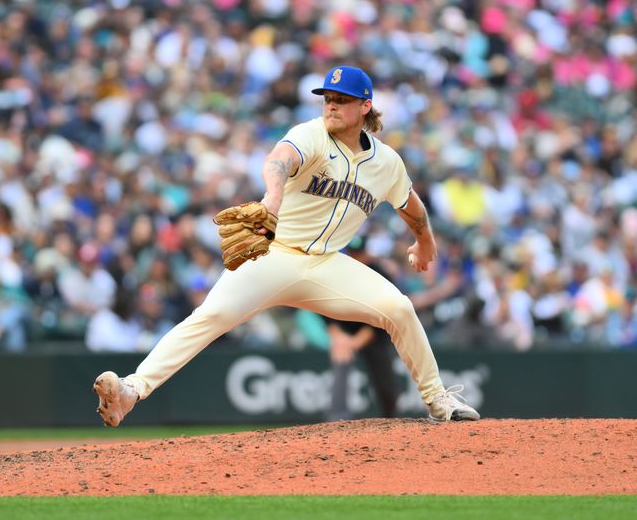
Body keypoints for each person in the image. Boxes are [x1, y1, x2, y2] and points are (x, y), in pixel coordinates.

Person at [94, 66, 480, 426]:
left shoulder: (387, 164)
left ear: (365, 107)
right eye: (327, 97)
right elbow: (279, 160)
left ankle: (438, 400)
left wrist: (424, 241)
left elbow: (410, 205)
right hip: (274, 254)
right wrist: (272, 198)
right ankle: (132, 390)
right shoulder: (311, 134)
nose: (331, 104)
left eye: (342, 99)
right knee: (210, 317)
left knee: (399, 307)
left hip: (327, 265)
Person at [326, 237, 399, 420]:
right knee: (340, 359)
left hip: (376, 332)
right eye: (353, 254)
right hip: (346, 329)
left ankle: (390, 419)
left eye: (360, 254)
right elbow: (323, 307)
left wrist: (356, 342)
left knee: (385, 383)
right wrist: (340, 338)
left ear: (368, 254)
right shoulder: (338, 273)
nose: (357, 258)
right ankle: (336, 418)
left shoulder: (381, 275)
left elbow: (386, 314)